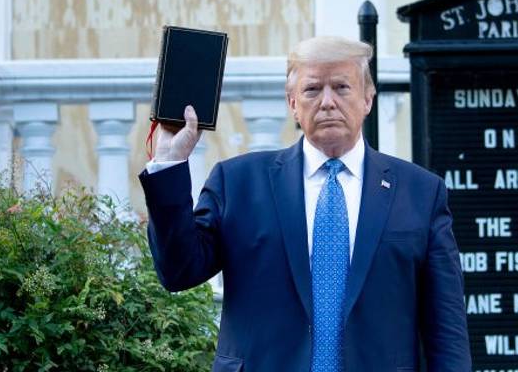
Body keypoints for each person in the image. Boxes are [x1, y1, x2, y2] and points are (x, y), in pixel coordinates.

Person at [138, 36, 471, 371]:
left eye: (342, 87)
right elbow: (178, 271)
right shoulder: (238, 182)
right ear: (292, 102)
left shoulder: (419, 192)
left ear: (368, 99)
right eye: (313, 90)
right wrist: (170, 162)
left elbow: (447, 331)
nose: (327, 102)